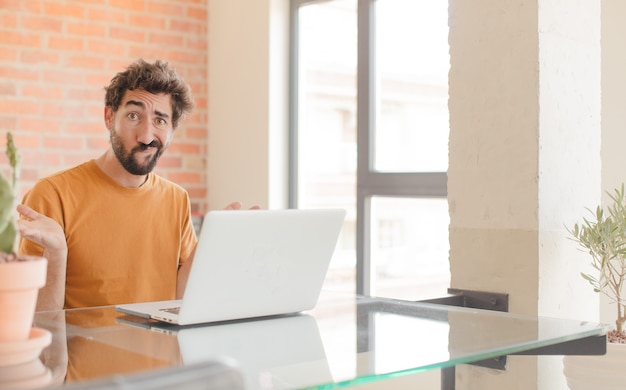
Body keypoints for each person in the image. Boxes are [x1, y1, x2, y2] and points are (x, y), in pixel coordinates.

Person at [17, 59, 253, 311]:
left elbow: (177, 297)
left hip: (162, 351)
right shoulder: (52, 196)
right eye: (133, 116)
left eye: (160, 120)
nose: (147, 136)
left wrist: (209, 248)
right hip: (83, 352)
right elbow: (34, 320)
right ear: (109, 117)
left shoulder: (176, 199)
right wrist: (56, 255)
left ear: (172, 129)